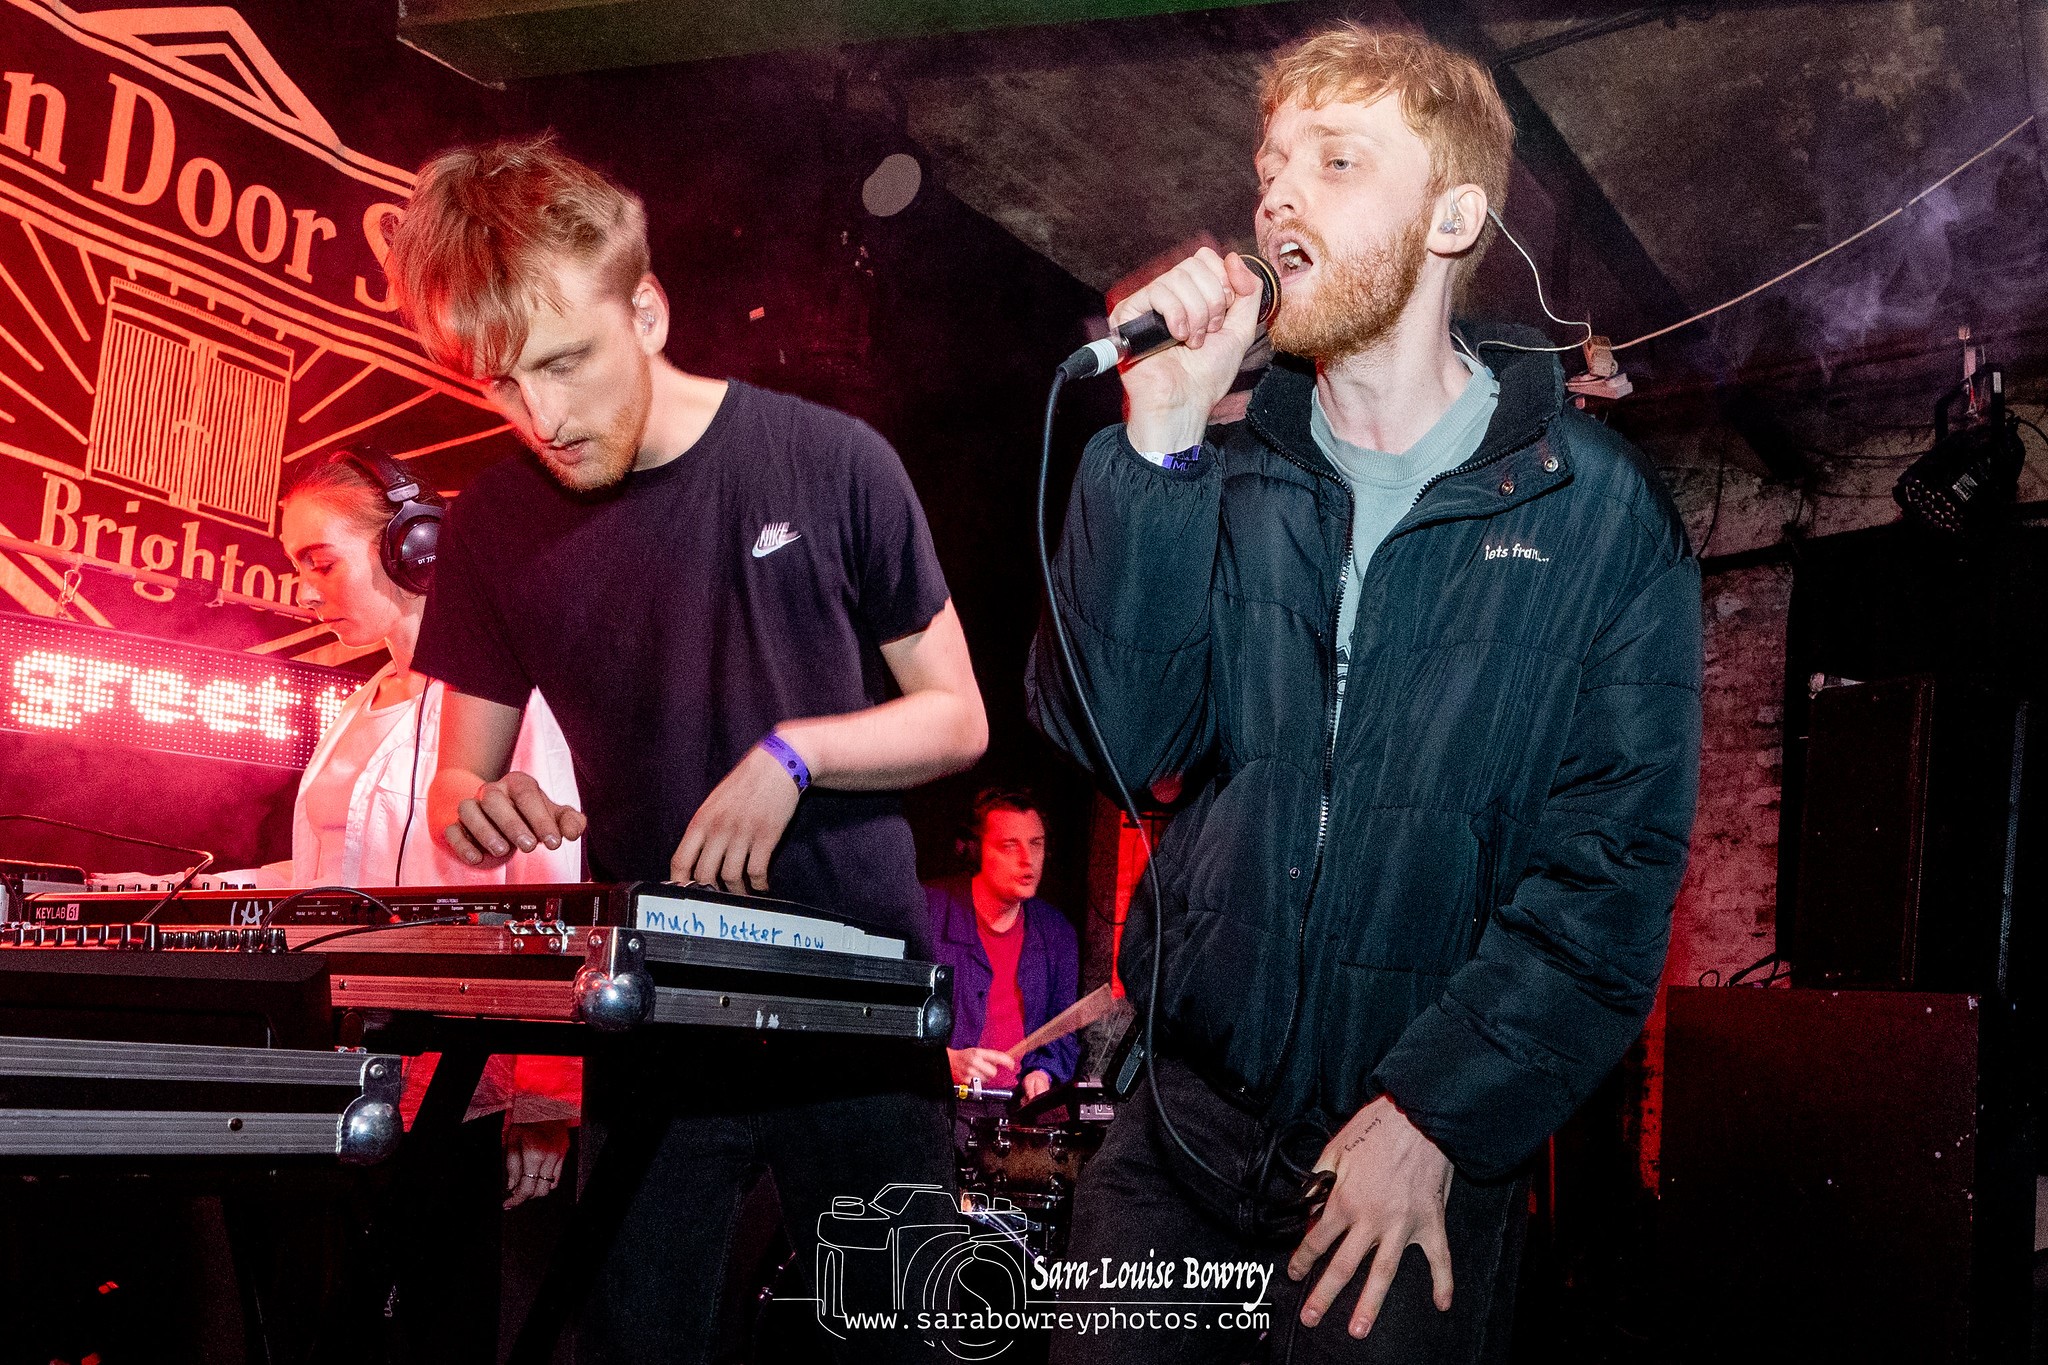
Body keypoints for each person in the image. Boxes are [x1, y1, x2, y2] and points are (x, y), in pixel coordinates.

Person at [1028, 23, 1702, 1363]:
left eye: (1335, 162)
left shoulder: (1597, 514)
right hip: (1172, 1147)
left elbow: (1612, 878)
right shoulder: (1225, 469)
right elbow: (1116, 737)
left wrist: (1438, 1114)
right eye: (1271, 168)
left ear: (1451, 219)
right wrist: (1157, 444)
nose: (1278, 196)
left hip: (1395, 1167)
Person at [383, 135, 988, 1364]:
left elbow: (956, 716)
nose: (542, 417)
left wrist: (797, 754)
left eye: (565, 362)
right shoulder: (492, 526)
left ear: (646, 311)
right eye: (503, 385)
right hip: (656, 1017)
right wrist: (476, 809)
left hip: (856, 1013)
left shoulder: (831, 462)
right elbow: (456, 780)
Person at [925, 788, 1081, 1108]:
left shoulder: (1057, 932)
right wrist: (944, 1061)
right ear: (976, 851)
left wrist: (1043, 1072)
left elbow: (1063, 1031)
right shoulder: (927, 913)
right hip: (939, 1106)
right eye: (1010, 845)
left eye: (1036, 844)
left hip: (1014, 1110)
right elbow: (887, 1023)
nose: (1027, 859)